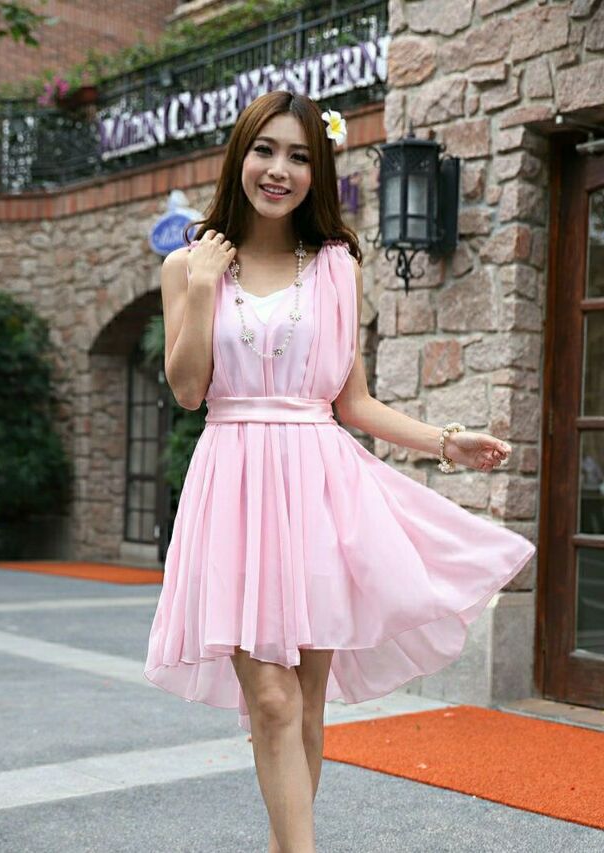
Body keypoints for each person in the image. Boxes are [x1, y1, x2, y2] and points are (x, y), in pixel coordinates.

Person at [144, 90, 536, 853]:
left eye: (299, 156)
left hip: (316, 488)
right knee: (270, 698)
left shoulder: (335, 267)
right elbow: (188, 390)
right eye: (265, 150)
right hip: (233, 487)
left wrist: (445, 440)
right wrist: (202, 286)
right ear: (239, 157)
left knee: (307, 701)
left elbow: (351, 401)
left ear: (316, 172)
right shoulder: (188, 265)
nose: (279, 169)